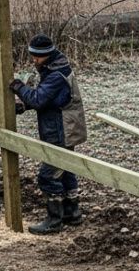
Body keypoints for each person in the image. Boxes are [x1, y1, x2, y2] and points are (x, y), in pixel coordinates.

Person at [10, 34, 87, 234]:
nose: (34, 60)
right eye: (32, 56)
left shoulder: (55, 75)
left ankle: (54, 219)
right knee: (66, 169)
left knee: (48, 175)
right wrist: (25, 104)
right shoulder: (54, 69)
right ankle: (72, 212)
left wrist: (19, 88)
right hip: (62, 128)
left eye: (37, 57)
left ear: (47, 55)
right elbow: (49, 99)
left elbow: (39, 99)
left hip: (61, 131)